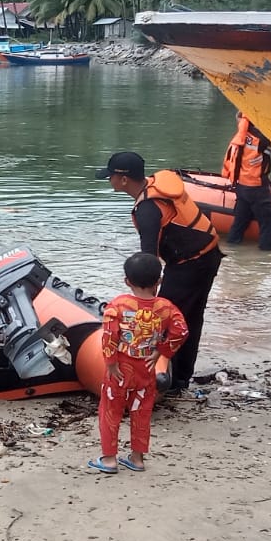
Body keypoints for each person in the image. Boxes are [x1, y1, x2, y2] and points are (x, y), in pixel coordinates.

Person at [97, 151, 222, 393]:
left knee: (166, 320)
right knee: (189, 318)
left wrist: (142, 297)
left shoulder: (148, 210)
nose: (109, 180)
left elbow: (149, 260)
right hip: (206, 254)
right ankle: (180, 379)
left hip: (191, 264)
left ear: (124, 180)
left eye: (111, 176)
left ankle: (164, 378)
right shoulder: (153, 187)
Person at [89, 253, 189, 474]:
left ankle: (109, 459)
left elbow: (109, 335)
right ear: (159, 281)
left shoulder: (118, 305)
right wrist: (162, 352)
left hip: (120, 368)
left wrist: (111, 362)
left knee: (110, 410)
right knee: (141, 410)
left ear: (127, 281)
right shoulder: (165, 307)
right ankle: (137, 458)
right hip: (146, 367)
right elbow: (181, 331)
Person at [222, 112, 271, 250]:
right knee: (267, 224)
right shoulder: (261, 138)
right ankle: (264, 257)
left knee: (239, 223)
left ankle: (232, 249)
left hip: (241, 186)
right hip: (257, 188)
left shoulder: (239, 138)